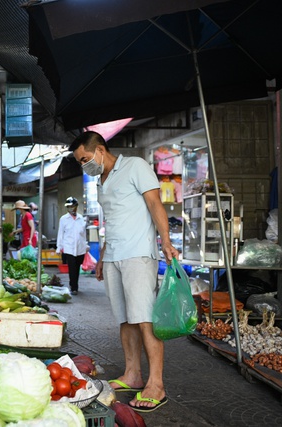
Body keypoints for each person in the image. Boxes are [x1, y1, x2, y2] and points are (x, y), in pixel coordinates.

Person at [70, 131, 178, 412]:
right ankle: (133, 374)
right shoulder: (100, 182)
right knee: (125, 319)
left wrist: (166, 241)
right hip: (115, 254)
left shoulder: (135, 166)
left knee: (144, 318)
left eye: (84, 159)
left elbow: (155, 203)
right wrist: (103, 256)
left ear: (100, 150)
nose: (83, 165)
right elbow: (112, 220)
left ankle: (157, 384)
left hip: (139, 253)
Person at [56, 197, 89, 295]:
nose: (71, 208)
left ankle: (75, 284)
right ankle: (74, 287)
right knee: (72, 267)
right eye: (69, 206)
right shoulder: (63, 219)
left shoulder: (81, 219)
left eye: (72, 206)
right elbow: (60, 233)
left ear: (76, 207)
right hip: (69, 247)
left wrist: (86, 245)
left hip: (80, 247)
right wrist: (59, 246)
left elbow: (83, 234)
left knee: (77, 266)